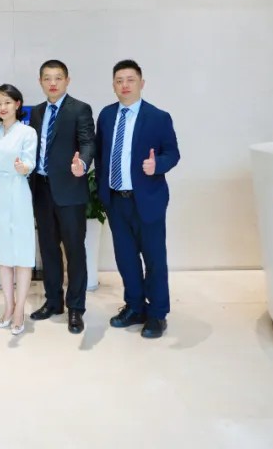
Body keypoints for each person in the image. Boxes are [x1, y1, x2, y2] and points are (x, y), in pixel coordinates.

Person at [95, 60, 180, 339]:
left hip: (147, 200)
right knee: (126, 258)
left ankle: (157, 314)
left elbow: (172, 153)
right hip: (116, 200)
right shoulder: (106, 116)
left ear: (141, 83)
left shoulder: (158, 117)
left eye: (130, 80)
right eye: (119, 80)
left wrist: (158, 165)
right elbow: (100, 154)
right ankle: (134, 307)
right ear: (113, 85)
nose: (125, 85)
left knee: (154, 259)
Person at [28, 59, 95, 334]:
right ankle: (53, 301)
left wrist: (83, 163)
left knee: (75, 251)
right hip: (42, 190)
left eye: (58, 77)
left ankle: (76, 307)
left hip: (70, 190)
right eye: (47, 78)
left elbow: (88, 142)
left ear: (67, 80)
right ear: (40, 82)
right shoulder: (37, 112)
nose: (52, 83)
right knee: (48, 249)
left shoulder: (80, 109)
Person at [0, 84, 38, 335]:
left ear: (17, 104)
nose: (2, 107)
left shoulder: (27, 132)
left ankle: (19, 310)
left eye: (7, 102)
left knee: (22, 254)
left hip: (18, 191)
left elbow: (29, 162)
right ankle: (8, 307)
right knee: (3, 255)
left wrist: (22, 167)